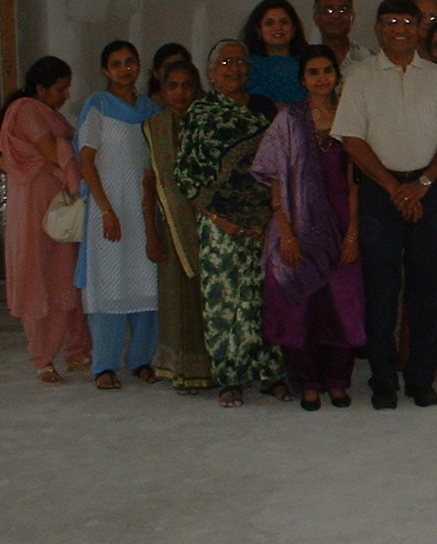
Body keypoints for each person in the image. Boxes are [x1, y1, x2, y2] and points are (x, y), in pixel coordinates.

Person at [333, 0, 437, 410]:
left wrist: (422, 183)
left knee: (427, 291)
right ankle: (383, 382)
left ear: (419, 27)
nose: (400, 29)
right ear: (377, 28)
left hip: (429, 190)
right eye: (390, 22)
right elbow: (351, 139)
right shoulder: (360, 75)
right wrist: (393, 187)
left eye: (408, 21)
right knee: (381, 294)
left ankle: (421, 379)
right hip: (380, 192)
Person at [251, 45, 366, 411]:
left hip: (342, 225)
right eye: (313, 72)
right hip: (298, 228)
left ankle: (337, 381)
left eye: (327, 71)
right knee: (299, 306)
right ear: (302, 79)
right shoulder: (288, 120)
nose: (321, 78)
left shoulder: (351, 119)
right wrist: (285, 234)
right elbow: (275, 182)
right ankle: (308, 383)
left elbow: (356, 183)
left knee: (342, 304)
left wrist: (352, 234)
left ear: (337, 75)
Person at [176, 39, 289, 407]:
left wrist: (273, 214)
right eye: (225, 62)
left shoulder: (262, 109)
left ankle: (272, 373)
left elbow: (280, 164)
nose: (234, 68)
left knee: (266, 298)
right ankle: (231, 378)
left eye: (240, 61)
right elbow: (186, 172)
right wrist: (218, 217)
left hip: (265, 223)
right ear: (210, 72)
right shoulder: (200, 113)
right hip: (220, 225)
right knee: (227, 302)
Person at [0, 57, 91, 384]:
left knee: (67, 274)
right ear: (41, 89)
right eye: (61, 89)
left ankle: (77, 351)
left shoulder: (47, 113)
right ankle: (42, 358)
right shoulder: (26, 109)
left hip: (59, 207)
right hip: (36, 209)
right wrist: (77, 181)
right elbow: (53, 150)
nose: (66, 95)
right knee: (38, 277)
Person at [74, 41, 161, 390]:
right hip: (107, 207)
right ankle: (104, 364)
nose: (124, 68)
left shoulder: (150, 110)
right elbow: (86, 161)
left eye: (129, 62)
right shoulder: (97, 105)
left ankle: (141, 358)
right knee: (108, 282)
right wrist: (106, 210)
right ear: (106, 70)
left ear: (139, 65)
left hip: (143, 206)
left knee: (146, 280)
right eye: (116, 64)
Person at [142, 59, 213, 392]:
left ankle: (214, 369)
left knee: (209, 300)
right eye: (173, 86)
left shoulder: (210, 123)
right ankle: (180, 371)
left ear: (197, 89)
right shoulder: (153, 128)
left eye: (187, 85)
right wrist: (150, 234)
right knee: (175, 300)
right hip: (170, 229)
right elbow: (148, 185)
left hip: (213, 228)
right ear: (162, 91)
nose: (180, 92)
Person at [242, 0, 310, 105]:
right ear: (258, 30)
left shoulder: (309, 63)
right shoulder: (247, 66)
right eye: (269, 23)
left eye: (284, 22)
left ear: (294, 29)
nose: (278, 28)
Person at [312, 0, 373, 72]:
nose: (336, 16)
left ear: (352, 17)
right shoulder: (305, 59)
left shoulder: (369, 59)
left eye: (343, 10)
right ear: (316, 19)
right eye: (329, 11)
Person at [146, 42, 191, 108]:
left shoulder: (202, 107)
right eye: (168, 67)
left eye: (179, 66)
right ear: (156, 73)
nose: (174, 72)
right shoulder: (147, 108)